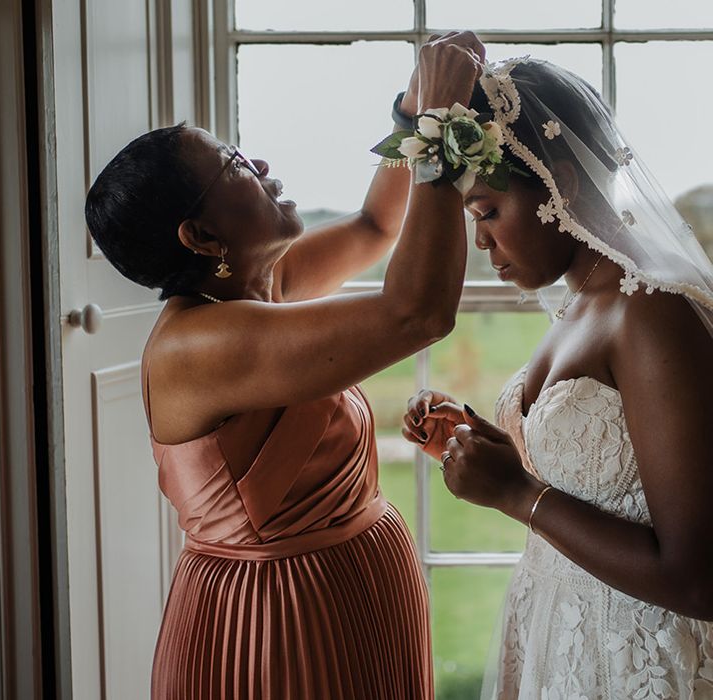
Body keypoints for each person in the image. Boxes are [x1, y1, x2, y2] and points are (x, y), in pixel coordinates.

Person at [85, 31, 486, 700]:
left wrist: (411, 114)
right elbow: (417, 313)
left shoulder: (261, 287)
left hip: (358, 590)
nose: (261, 162)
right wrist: (442, 131)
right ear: (203, 235)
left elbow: (375, 228)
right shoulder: (202, 344)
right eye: (234, 162)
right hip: (277, 621)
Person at [402, 57, 713, 698]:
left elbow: (699, 577)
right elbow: (604, 480)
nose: (481, 243)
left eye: (486, 211)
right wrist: (488, 447)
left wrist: (516, 493)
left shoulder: (649, 310)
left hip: (636, 657)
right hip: (564, 637)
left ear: (561, 183)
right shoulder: (583, 302)